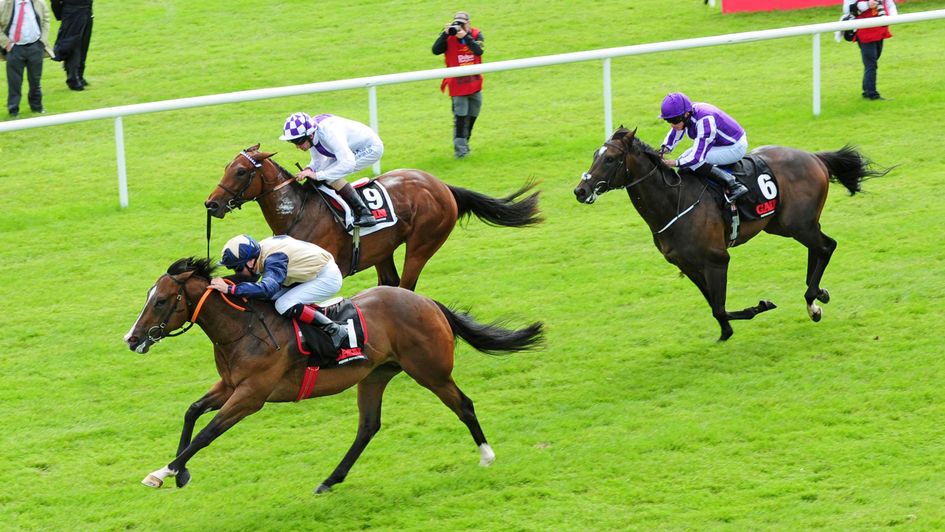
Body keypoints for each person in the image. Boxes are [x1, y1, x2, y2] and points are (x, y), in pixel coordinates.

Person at [210, 234, 367, 365]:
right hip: (306, 272)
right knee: (269, 299)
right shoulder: (259, 254)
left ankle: (336, 330)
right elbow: (259, 284)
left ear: (251, 262)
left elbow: (267, 288)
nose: (237, 273)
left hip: (326, 277)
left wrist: (231, 289)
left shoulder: (274, 259)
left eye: (237, 268)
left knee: (283, 304)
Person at [279, 111, 382, 227]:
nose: (297, 147)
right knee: (320, 175)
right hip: (349, 150)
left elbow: (348, 163)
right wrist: (309, 169)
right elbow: (318, 161)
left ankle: (365, 214)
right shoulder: (312, 133)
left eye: (298, 142)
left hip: (370, 148)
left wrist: (317, 175)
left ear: (310, 135)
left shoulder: (329, 134)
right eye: (293, 142)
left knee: (330, 177)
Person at [658, 92, 749, 202]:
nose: (672, 124)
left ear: (686, 114)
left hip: (735, 147)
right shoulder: (687, 112)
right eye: (669, 121)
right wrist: (664, 149)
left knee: (692, 162)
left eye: (674, 121)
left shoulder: (705, 120)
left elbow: (696, 158)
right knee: (684, 158)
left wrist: (673, 163)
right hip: (721, 143)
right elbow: (676, 131)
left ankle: (734, 185)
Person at [432, 10, 484, 159]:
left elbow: (479, 51)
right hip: (457, 85)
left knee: (472, 116)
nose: (460, 26)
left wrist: (465, 37)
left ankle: (465, 144)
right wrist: (444, 34)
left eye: (462, 23)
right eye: (457, 23)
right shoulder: (449, 35)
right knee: (460, 117)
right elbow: (435, 50)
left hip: (475, 83)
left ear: (469, 23)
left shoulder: (476, 34)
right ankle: (461, 152)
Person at [1, 0, 55, 118]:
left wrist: (42, 41)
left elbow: (46, 19)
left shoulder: (38, 2)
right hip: (14, 49)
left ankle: (37, 107)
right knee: (14, 82)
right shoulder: (4, 3)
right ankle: (13, 110)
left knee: (35, 80)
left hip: (35, 47)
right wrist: (6, 43)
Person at [844, 0, 897, 101]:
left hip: (880, 30)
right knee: (871, 64)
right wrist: (868, 4)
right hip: (864, 32)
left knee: (873, 61)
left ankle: (867, 90)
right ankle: (872, 94)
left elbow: (890, 4)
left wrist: (894, 17)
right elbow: (847, 9)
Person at [50, 0, 92, 91]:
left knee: (84, 44)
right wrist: (61, 14)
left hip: (86, 9)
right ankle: (73, 79)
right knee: (72, 45)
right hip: (72, 11)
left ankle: (79, 76)